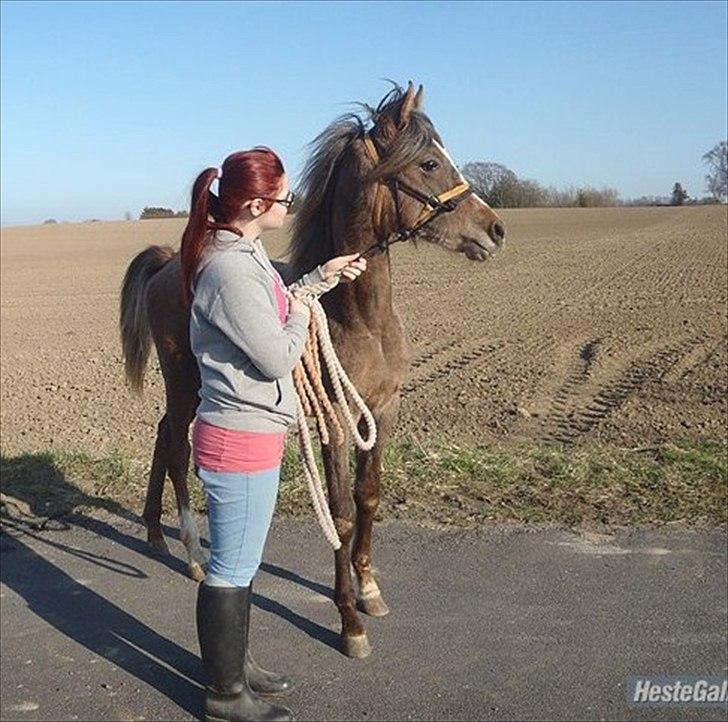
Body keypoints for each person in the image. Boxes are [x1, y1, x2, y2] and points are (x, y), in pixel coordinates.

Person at [181, 147, 367, 722]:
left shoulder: (244, 251)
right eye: (286, 197)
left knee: (241, 562)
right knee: (230, 570)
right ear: (259, 204)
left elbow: (275, 305)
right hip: (238, 439)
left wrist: (314, 280)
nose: (292, 205)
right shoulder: (231, 268)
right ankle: (223, 694)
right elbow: (278, 355)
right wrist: (306, 313)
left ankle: (235, 667)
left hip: (250, 434)